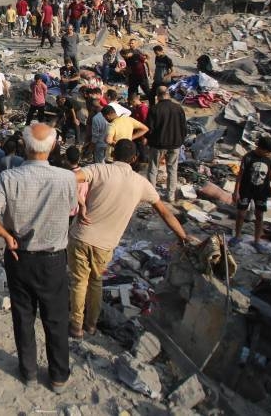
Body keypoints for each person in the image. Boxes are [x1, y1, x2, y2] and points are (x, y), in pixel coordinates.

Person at [0, 123, 78, 392]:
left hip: (18, 256)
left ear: (24, 145)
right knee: (56, 318)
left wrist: (6, 235)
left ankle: (29, 372)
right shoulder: (67, 178)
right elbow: (71, 209)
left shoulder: (8, 178)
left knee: (23, 316)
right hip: (53, 259)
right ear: (54, 146)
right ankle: (58, 377)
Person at [69, 140, 193, 338]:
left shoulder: (99, 169)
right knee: (95, 282)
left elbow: (68, 178)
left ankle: (76, 326)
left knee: (79, 282)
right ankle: (91, 325)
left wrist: (81, 203)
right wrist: (183, 237)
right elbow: (165, 213)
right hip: (105, 245)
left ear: (113, 153)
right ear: (134, 159)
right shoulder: (141, 183)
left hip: (81, 236)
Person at [232, 135, 271, 250]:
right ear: (260, 148)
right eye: (267, 151)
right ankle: (237, 236)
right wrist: (236, 191)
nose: (269, 154)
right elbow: (240, 175)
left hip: (262, 191)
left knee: (259, 215)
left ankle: (257, 241)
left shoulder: (270, 159)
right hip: (246, 189)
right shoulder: (248, 157)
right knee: (241, 214)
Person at [146, 86, 187, 200]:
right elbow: (184, 127)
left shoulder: (154, 109)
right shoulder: (178, 108)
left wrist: (149, 141)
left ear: (157, 96)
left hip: (158, 144)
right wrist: (180, 140)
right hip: (175, 144)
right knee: (172, 169)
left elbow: (149, 129)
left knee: (153, 169)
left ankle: (151, 196)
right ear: (168, 94)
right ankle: (170, 195)